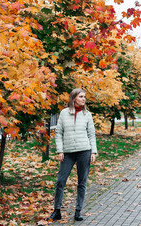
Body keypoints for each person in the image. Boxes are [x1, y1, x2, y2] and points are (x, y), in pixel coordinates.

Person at [49, 88, 97, 221]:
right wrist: (60, 150)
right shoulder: (64, 113)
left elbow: (91, 134)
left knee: (82, 181)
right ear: (74, 98)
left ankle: (78, 211)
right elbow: (58, 133)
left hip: (84, 151)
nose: (84, 99)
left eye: (84, 97)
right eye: (81, 96)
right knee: (60, 181)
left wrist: (93, 151)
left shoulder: (87, 114)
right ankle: (57, 211)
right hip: (68, 152)